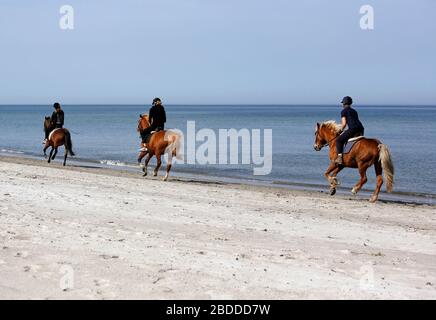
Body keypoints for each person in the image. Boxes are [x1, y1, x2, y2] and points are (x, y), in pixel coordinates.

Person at [335, 96, 365, 165]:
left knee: (338, 140)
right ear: (350, 103)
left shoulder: (343, 111)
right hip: (361, 129)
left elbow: (344, 124)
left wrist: (340, 130)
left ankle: (339, 158)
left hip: (353, 129)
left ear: (344, 103)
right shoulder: (354, 111)